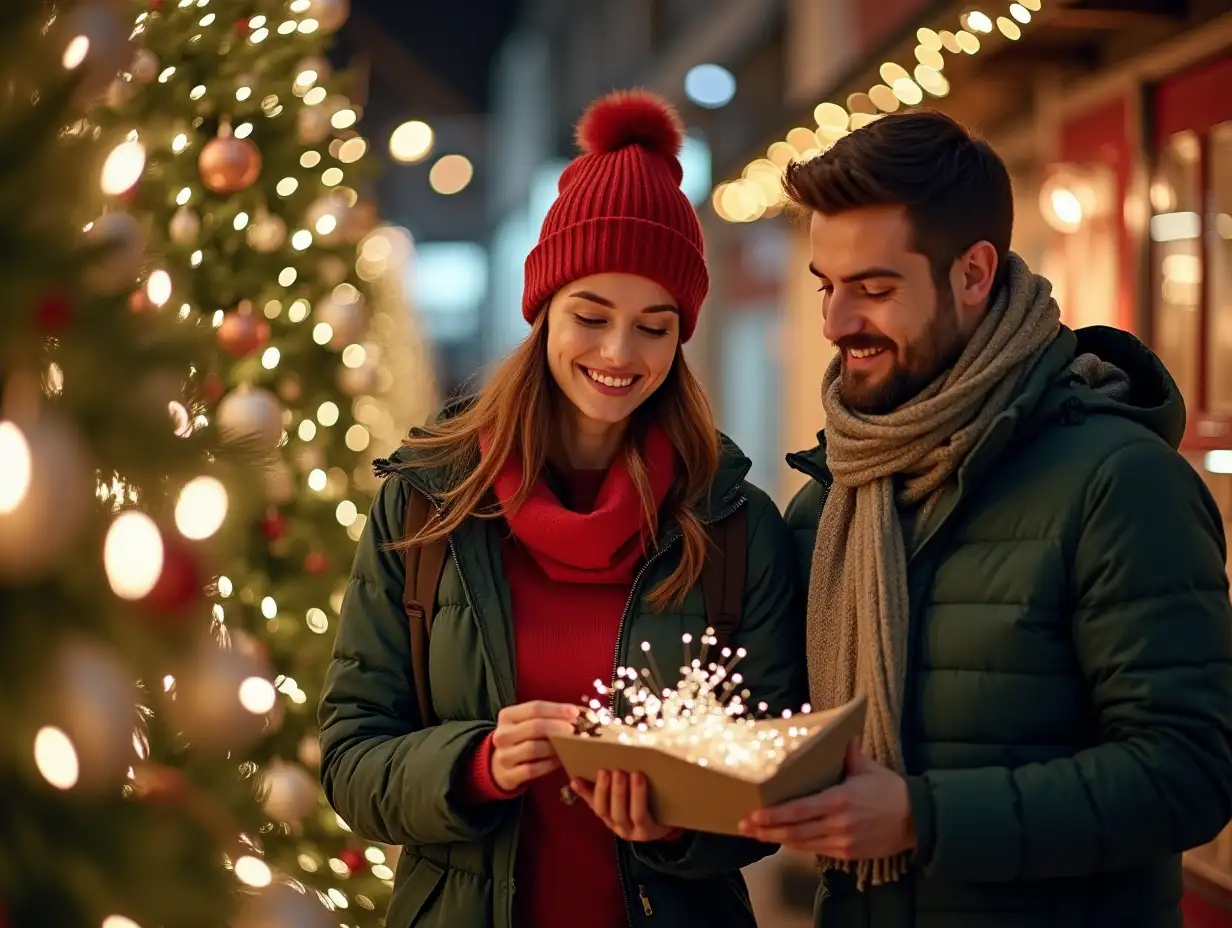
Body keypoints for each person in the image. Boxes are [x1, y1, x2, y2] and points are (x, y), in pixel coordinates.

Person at [318, 89, 806, 928]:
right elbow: (350, 756)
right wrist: (476, 764)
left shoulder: (733, 526)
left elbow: (770, 785)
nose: (621, 354)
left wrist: (676, 825)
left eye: (655, 327)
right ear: (540, 310)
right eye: (591, 316)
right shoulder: (428, 506)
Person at [737, 109, 1232, 928]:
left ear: (973, 273)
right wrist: (669, 807)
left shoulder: (1120, 483)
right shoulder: (835, 493)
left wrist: (921, 817)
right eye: (827, 286)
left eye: (875, 288)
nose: (834, 324)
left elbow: (1187, 775)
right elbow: (786, 750)